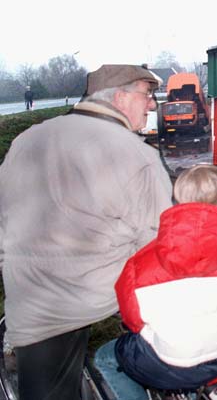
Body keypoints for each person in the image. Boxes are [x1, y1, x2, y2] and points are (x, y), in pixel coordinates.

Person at [0, 64, 172, 400]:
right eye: (147, 95)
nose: (152, 105)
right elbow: (157, 242)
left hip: (31, 293)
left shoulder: (28, 138)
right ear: (120, 97)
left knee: (46, 387)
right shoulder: (136, 155)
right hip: (92, 292)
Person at [114, 164, 217, 391]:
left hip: (161, 364)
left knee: (109, 355)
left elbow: (132, 320)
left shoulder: (138, 265)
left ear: (178, 201)